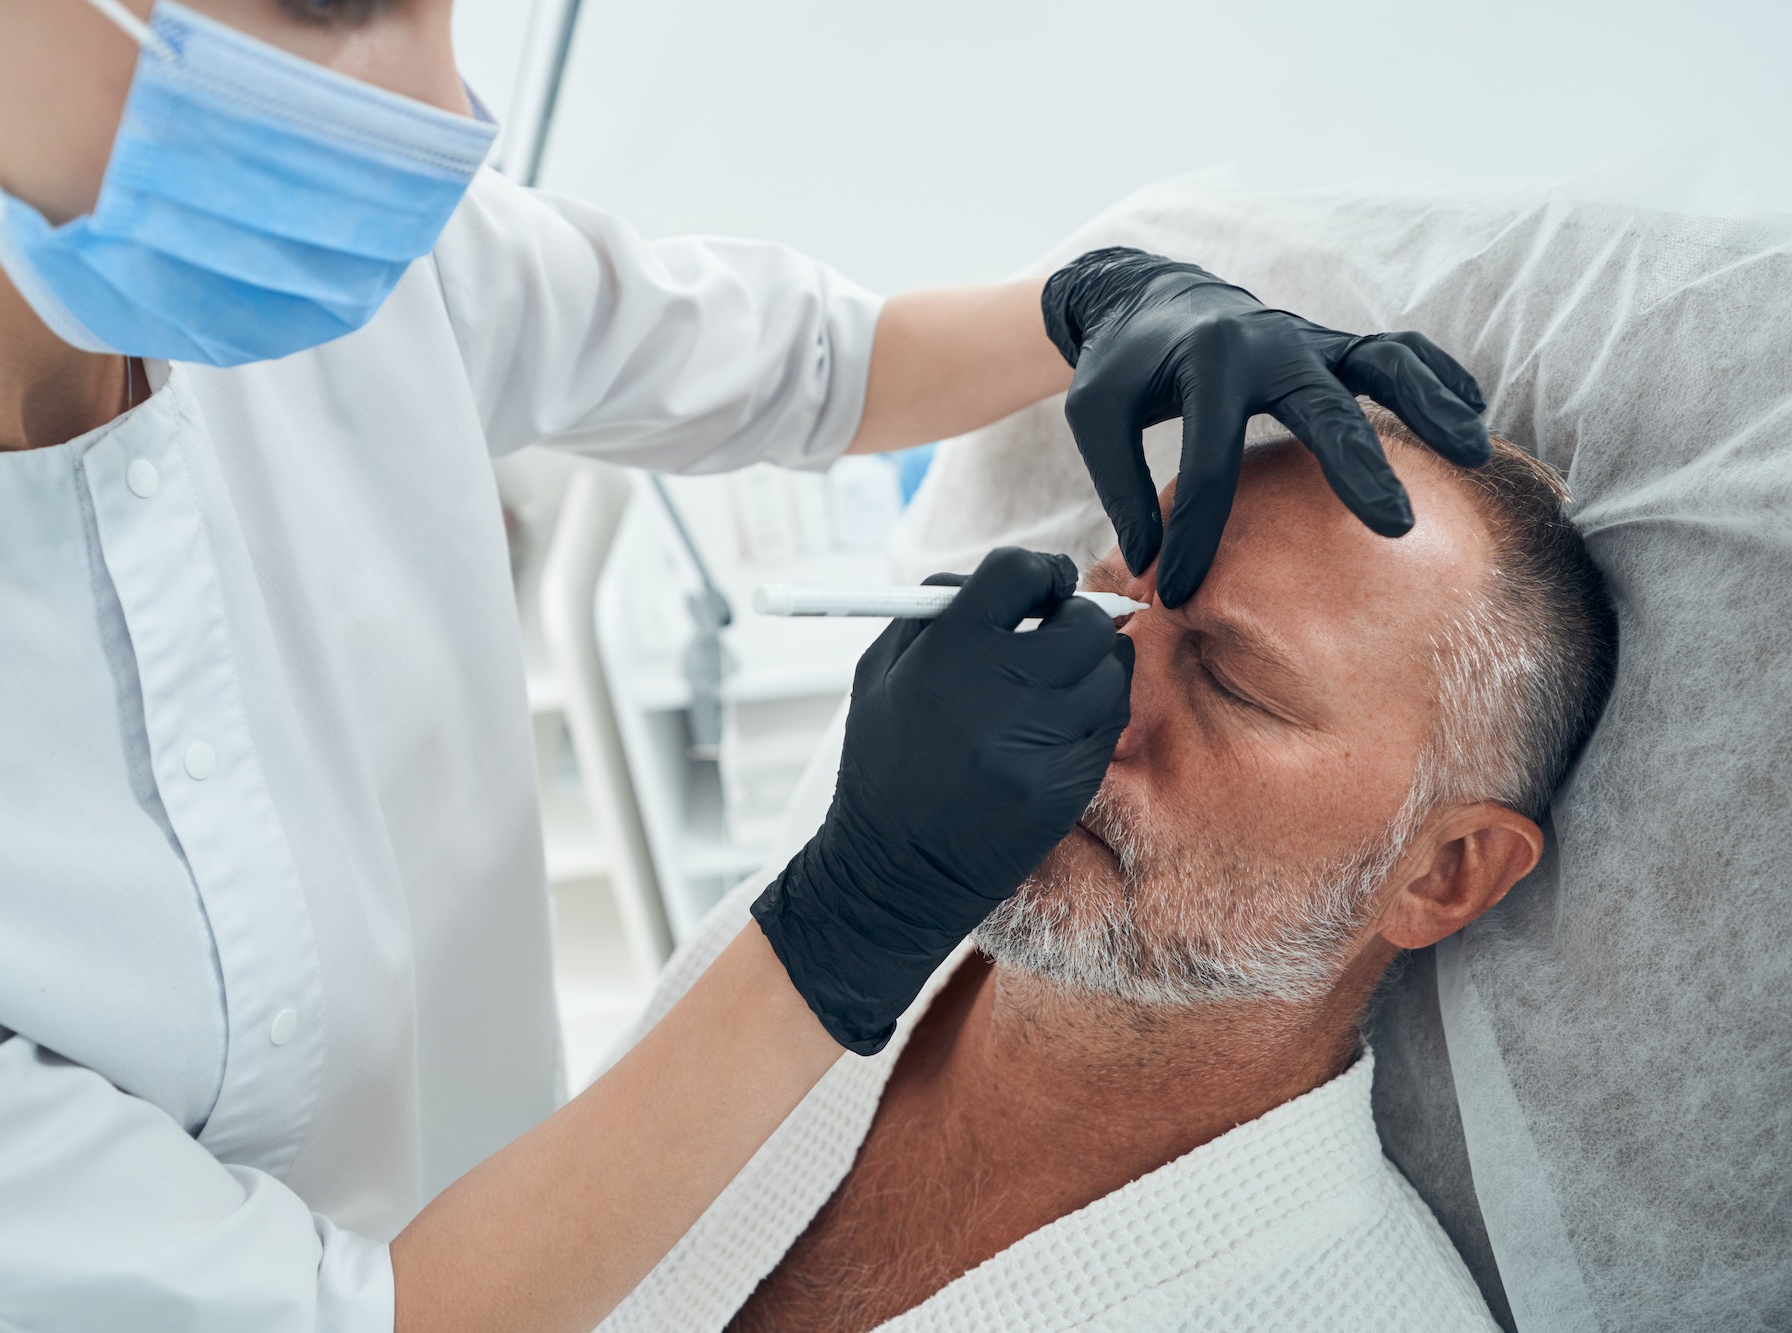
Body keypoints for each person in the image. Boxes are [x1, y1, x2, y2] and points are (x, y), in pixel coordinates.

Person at [0, 2, 1495, 1329]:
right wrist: (838, 929)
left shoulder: (363, 259)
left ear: (1460, 863)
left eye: (1239, 676)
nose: (446, 114)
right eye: (334, 0)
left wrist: (1099, 303)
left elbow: (809, 363)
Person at [595, 405, 1619, 1332]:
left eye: (1229, 680)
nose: (1081, 707)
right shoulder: (808, 926)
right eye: (1101, 608)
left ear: (1440, 873)